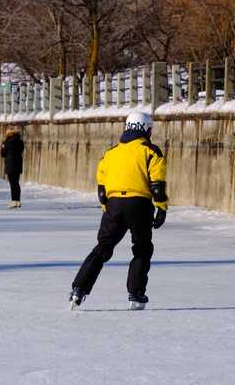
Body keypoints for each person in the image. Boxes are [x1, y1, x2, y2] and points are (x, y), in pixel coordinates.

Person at [69, 111, 168, 311]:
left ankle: (79, 289)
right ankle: (136, 294)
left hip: (114, 204)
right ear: (145, 129)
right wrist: (161, 208)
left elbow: (102, 189)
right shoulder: (151, 151)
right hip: (139, 204)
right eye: (150, 128)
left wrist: (108, 209)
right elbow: (157, 185)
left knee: (103, 248)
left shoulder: (111, 153)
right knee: (142, 248)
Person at [1, 127, 25, 209]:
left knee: (12, 183)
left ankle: (13, 201)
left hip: (10, 164)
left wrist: (3, 146)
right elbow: (21, 150)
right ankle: (18, 201)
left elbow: (3, 154)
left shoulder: (6, 142)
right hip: (18, 163)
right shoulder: (20, 141)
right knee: (16, 183)